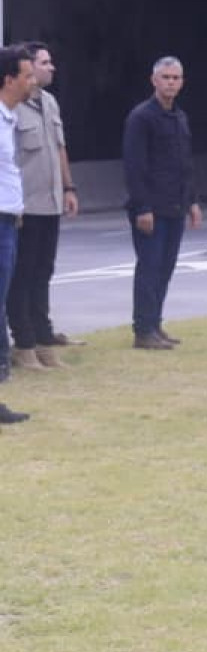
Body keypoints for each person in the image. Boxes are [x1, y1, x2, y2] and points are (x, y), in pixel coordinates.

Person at [7, 42, 80, 370]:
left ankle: (42, 337)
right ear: (27, 70)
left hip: (49, 202)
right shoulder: (11, 108)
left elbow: (60, 148)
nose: (51, 68)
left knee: (43, 272)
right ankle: (23, 343)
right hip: (25, 206)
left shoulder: (49, 103)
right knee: (21, 275)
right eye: (44, 62)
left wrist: (68, 186)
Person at [122, 55, 201, 349]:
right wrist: (142, 207)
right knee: (150, 267)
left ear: (182, 82)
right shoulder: (141, 117)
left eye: (175, 78)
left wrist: (192, 201)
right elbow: (134, 166)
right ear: (154, 80)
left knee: (166, 267)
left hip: (175, 205)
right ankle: (142, 329)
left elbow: (185, 163)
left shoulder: (180, 117)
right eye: (165, 77)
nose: (170, 82)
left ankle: (154, 323)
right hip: (150, 208)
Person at [0, 46, 38, 418]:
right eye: (27, 75)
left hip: (8, 220)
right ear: (9, 79)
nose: (33, 81)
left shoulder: (8, 118)